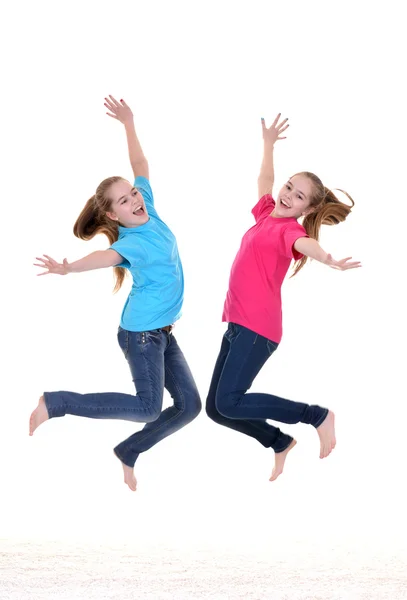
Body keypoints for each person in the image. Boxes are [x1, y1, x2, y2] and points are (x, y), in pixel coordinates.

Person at [30, 96, 201, 491]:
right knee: (146, 408)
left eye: (133, 194)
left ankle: (129, 451)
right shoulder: (131, 242)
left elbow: (140, 167)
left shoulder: (150, 210)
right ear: (112, 215)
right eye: (124, 201)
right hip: (141, 336)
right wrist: (69, 267)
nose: (135, 200)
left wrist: (128, 122)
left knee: (190, 406)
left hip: (161, 334)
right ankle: (57, 402)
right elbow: (102, 257)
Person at [206, 114, 361, 482]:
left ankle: (316, 416)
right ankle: (278, 442)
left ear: (307, 210)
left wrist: (328, 258)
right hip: (237, 324)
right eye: (289, 187)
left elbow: (305, 244)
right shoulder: (266, 215)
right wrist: (269, 145)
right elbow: (264, 181)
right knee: (217, 408)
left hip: (257, 328)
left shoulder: (289, 230)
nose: (287, 195)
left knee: (229, 401)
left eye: (298, 196)